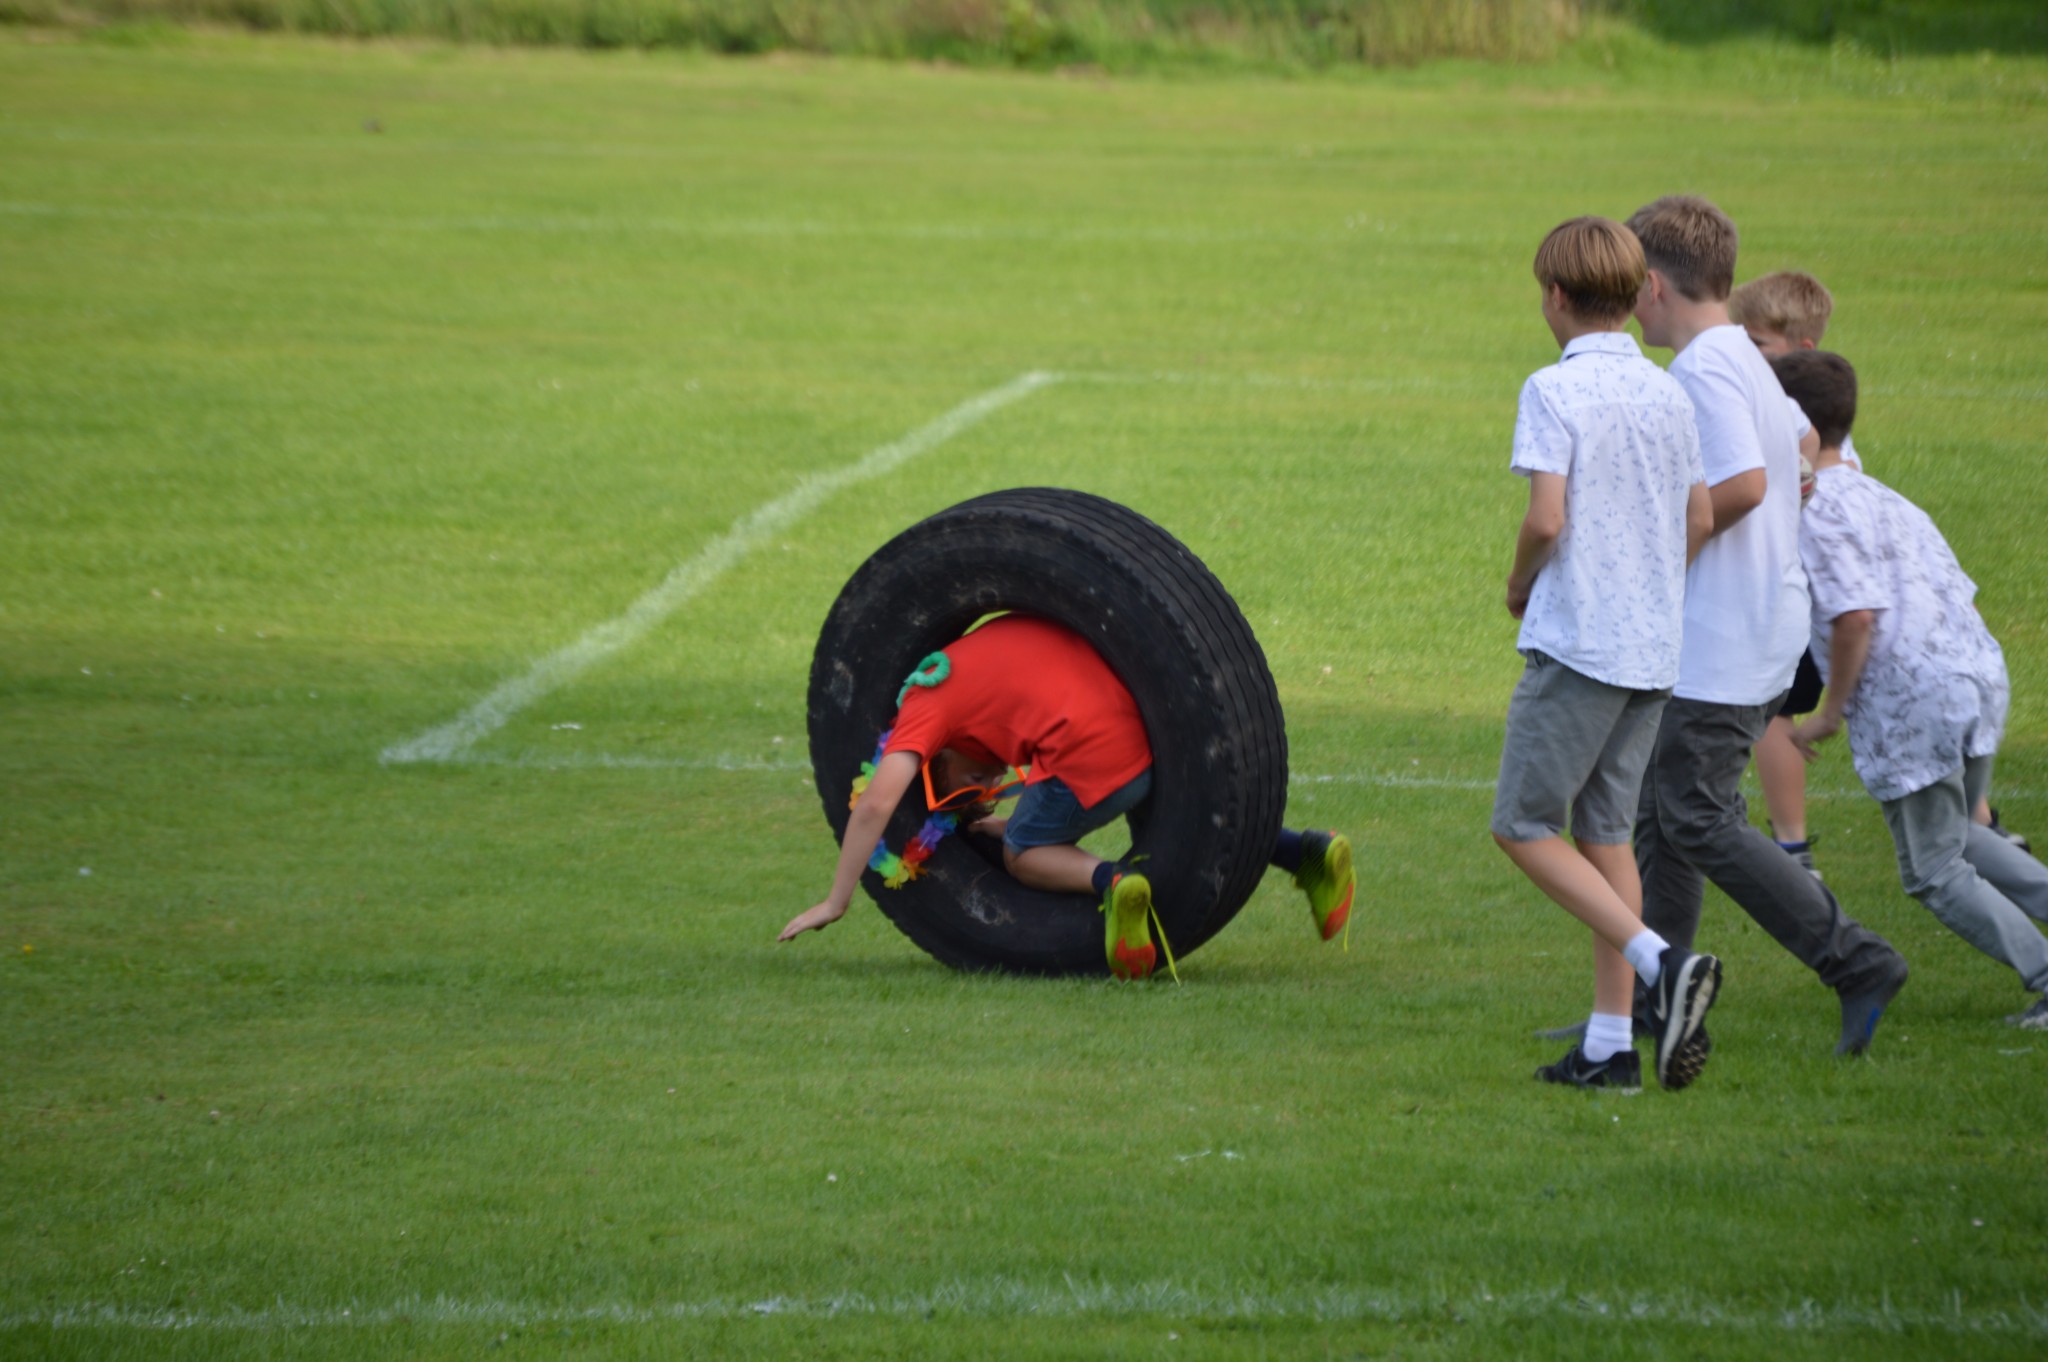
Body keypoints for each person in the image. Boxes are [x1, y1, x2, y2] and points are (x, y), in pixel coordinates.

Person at [1624, 196, 1909, 1058]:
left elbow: (1745, 484)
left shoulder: (1705, 370)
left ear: (1651, 284)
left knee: (1696, 816)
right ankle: (1653, 1002)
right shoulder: (1742, 357)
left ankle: (1857, 961)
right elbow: (1803, 445)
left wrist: (1663, 558)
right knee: (1662, 814)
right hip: (1751, 626)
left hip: (1723, 638)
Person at [778, 613, 1356, 981]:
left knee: (1024, 851)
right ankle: (1304, 851)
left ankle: (1112, 883)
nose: (985, 789)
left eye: (964, 789)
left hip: (1091, 756)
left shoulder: (924, 705)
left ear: (936, 757)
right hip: (1148, 730)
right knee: (1178, 826)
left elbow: (876, 805)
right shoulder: (978, 652)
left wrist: (837, 901)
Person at [1492, 215, 1721, 1092]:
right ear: (1635, 294)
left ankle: (1663, 962)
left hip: (1581, 645)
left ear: (1555, 296)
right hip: (1654, 650)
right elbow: (1700, 516)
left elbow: (1547, 516)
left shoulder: (1552, 388)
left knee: (1522, 824)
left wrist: (1519, 582)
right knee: (1605, 835)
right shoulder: (1669, 392)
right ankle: (1609, 1046)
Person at [1778, 350, 2048, 1031]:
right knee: (1961, 834)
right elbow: (1962, 594)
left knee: (1932, 869)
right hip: (1977, 677)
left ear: (1796, 426)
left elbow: (1854, 617)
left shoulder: (1814, 510)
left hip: (1914, 699)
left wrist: (1829, 712)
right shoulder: (1887, 496)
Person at [1734, 271, 2033, 857]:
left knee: (1771, 706)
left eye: (1757, 343)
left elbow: (1836, 575)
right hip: (1848, 600)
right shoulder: (1821, 417)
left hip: (1820, 595)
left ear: (1801, 349)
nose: (1745, 354)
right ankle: (1981, 828)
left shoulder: (1801, 431)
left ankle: (1794, 847)